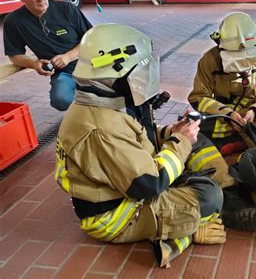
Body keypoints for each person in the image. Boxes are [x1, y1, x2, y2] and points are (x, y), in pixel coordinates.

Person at [55, 24, 226, 267]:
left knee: (196, 147)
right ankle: (181, 237)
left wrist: (172, 133)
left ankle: (211, 192)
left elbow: (134, 138)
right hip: (116, 215)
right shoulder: (99, 126)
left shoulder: (105, 101)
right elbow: (148, 184)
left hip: (124, 187)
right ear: (117, 69)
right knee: (209, 196)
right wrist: (181, 142)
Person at [188, 12, 256, 231]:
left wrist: (255, 111)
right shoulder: (209, 60)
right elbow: (197, 97)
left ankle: (236, 141)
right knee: (192, 130)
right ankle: (250, 141)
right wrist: (226, 113)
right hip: (224, 118)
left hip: (255, 118)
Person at [3, 0, 92, 111]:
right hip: (64, 72)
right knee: (61, 100)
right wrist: (33, 63)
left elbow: (91, 37)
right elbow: (14, 55)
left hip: (91, 64)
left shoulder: (66, 8)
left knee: (117, 90)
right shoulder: (14, 21)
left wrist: (68, 56)